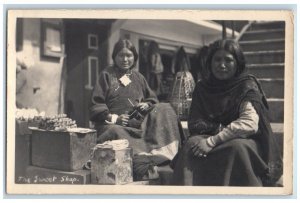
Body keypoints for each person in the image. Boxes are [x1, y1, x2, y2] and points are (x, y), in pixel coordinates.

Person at [171, 39, 282, 186]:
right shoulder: (202, 87)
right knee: (191, 145)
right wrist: (217, 133)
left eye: (228, 60)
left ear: (237, 63)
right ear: (209, 62)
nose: (222, 65)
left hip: (243, 139)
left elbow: (249, 124)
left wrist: (212, 141)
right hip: (212, 136)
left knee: (237, 147)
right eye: (217, 59)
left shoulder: (246, 85)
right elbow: (195, 123)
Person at [89, 39, 183, 180]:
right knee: (114, 131)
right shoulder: (107, 75)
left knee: (165, 107)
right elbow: (96, 106)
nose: (125, 59)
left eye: (129, 55)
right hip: (113, 125)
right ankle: (143, 159)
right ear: (114, 57)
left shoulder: (139, 77)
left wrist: (147, 104)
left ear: (135, 57)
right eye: (121, 55)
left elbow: (152, 99)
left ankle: (162, 154)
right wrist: (116, 118)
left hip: (138, 126)